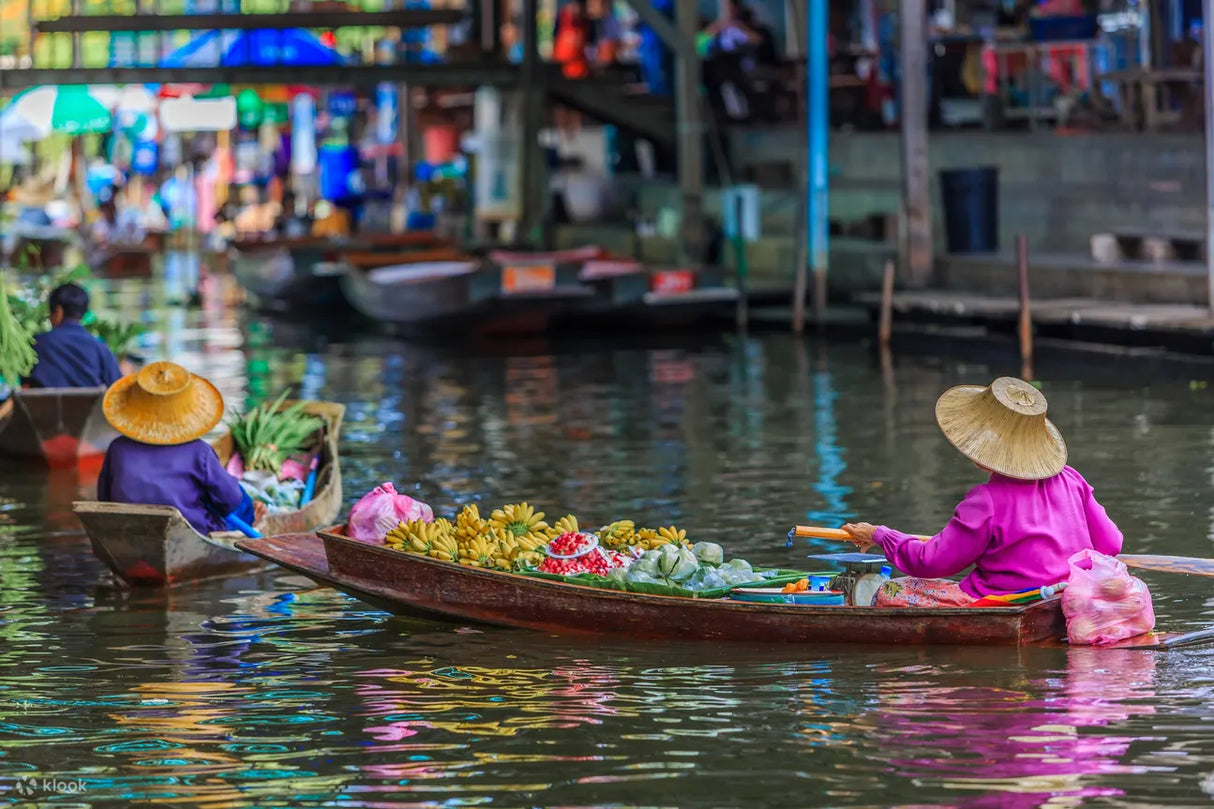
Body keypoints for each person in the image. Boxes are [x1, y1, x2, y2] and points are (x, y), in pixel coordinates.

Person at [840, 377, 1123, 608]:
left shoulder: (985, 501)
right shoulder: (1072, 479)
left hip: (1005, 602)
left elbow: (932, 561)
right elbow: (1111, 544)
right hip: (1067, 597)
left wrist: (881, 535)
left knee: (890, 591)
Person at [97, 362, 265, 535]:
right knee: (238, 498)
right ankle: (251, 522)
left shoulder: (117, 448)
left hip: (129, 529)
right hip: (194, 529)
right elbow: (231, 498)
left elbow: (104, 497)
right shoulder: (200, 452)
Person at [23, 284, 123, 390]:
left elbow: (22, 381)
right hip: (88, 406)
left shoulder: (37, 343)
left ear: (58, 311)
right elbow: (117, 387)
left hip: (43, 406)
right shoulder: (100, 347)